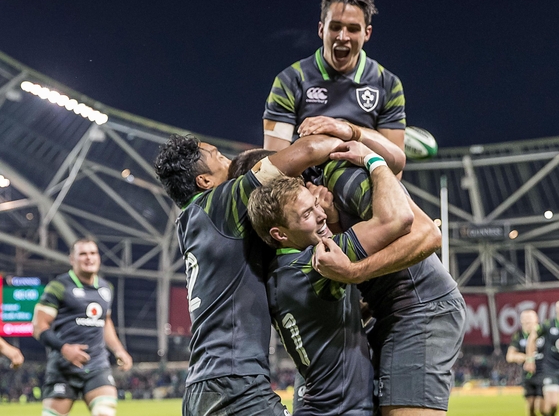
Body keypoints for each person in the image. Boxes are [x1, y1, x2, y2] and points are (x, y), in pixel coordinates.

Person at [154, 133, 357, 416]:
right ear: (204, 182)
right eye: (219, 156)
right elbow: (310, 149)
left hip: (202, 385)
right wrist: (353, 137)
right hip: (235, 384)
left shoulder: (191, 223)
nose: (230, 159)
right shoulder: (219, 203)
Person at [248, 141, 415, 416]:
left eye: (315, 205)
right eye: (307, 214)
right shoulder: (316, 262)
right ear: (280, 234)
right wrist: (374, 161)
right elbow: (398, 219)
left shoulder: (281, 271)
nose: (321, 214)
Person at [312, 158, 466, 416]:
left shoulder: (347, 176)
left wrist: (354, 272)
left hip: (421, 306)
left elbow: (428, 234)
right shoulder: (329, 189)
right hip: (389, 312)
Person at [263, 0, 406, 154]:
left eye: (353, 29)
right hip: (303, 179)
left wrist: (346, 129)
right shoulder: (289, 81)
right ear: (321, 29)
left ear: (367, 33)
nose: (342, 37)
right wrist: (302, 183)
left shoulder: (388, 84)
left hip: (367, 177)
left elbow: (395, 167)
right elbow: (273, 160)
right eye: (335, 27)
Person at [32, 238, 133, 416]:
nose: (89, 258)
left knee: (104, 413)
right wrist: (64, 349)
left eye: (93, 253)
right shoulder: (58, 286)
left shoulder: (106, 288)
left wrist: (119, 350)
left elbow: (105, 321)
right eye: (83, 254)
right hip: (63, 368)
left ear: (99, 258)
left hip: (97, 365)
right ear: (72, 259)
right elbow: (39, 326)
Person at [507, 309, 544, 416]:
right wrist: (526, 358)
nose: (528, 323)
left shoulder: (543, 333)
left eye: (530, 320)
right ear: (521, 321)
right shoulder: (518, 336)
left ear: (536, 320)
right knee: (531, 407)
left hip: (544, 372)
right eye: (525, 320)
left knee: (541, 407)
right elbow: (510, 356)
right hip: (528, 374)